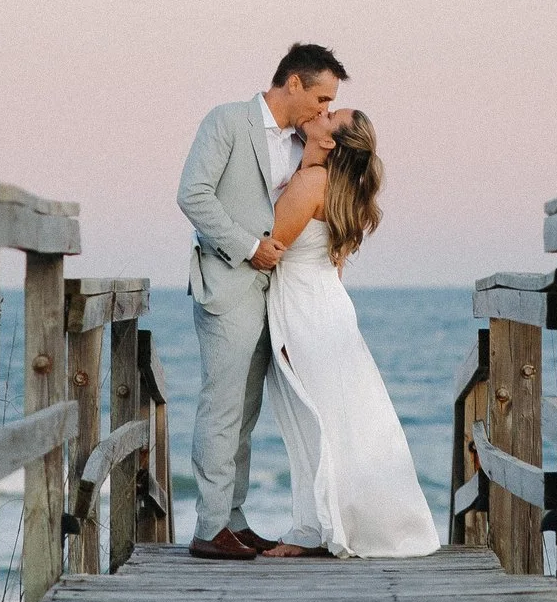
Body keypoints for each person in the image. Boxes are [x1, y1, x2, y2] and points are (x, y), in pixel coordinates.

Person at [175, 43, 344, 560]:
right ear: (293, 82)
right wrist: (249, 246)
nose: (325, 108)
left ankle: (233, 518)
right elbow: (193, 194)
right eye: (321, 97)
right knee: (222, 407)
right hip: (228, 285)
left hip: (276, 298)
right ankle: (208, 528)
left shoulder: (302, 144)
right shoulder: (227, 121)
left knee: (246, 413)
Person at [257, 107, 440, 558]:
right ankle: (333, 524)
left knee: (313, 421)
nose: (319, 112)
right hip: (330, 308)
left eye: (329, 115)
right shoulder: (343, 189)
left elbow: (267, 245)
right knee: (343, 418)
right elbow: (333, 265)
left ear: (329, 142)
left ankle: (317, 530)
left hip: (303, 308)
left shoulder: (311, 182)